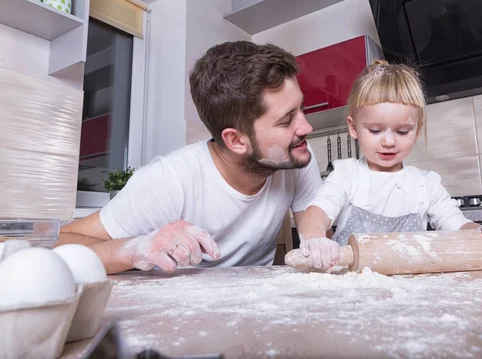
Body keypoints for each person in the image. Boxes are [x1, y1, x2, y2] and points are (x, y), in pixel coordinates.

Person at [57, 41, 322, 274]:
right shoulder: (167, 182)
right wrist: (133, 249)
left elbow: (317, 235)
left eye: (302, 108)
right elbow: (61, 241)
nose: (306, 127)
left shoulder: (296, 158)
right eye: (287, 120)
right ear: (236, 140)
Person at [297, 60, 482, 270]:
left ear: (417, 130)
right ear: (354, 128)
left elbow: (457, 225)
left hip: (410, 294)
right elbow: (317, 213)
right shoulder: (347, 175)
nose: (389, 141)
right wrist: (315, 239)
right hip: (352, 290)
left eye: (402, 131)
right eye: (375, 130)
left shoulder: (425, 184)